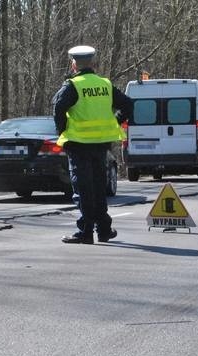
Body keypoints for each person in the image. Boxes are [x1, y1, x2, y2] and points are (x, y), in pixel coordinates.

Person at [53, 45, 132, 244]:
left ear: (74, 64)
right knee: (98, 188)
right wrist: (115, 121)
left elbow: (58, 107)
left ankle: (85, 232)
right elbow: (128, 104)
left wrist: (62, 130)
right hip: (101, 145)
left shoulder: (73, 85)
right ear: (92, 62)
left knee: (83, 189)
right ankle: (104, 230)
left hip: (79, 144)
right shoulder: (105, 84)